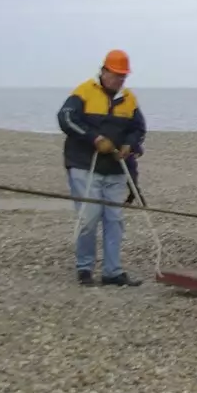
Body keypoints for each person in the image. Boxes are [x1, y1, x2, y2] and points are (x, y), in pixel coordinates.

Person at [56, 49, 145, 287]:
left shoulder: (129, 99)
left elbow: (138, 128)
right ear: (104, 71)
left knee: (114, 219)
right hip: (85, 165)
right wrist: (94, 139)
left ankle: (112, 272)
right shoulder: (83, 92)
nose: (119, 80)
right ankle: (85, 268)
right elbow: (66, 119)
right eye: (116, 75)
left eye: (123, 76)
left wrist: (130, 144)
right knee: (88, 218)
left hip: (116, 168)